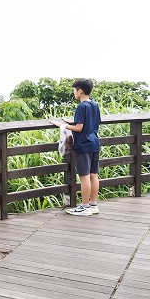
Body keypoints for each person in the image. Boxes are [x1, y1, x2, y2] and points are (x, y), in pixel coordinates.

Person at [50, 79, 101, 216]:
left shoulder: (81, 107)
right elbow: (90, 122)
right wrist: (71, 121)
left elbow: (79, 128)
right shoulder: (94, 105)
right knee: (93, 174)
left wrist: (62, 125)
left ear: (80, 91)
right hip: (95, 143)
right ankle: (93, 205)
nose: (74, 93)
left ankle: (84, 207)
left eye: (75, 90)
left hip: (83, 145)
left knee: (84, 176)